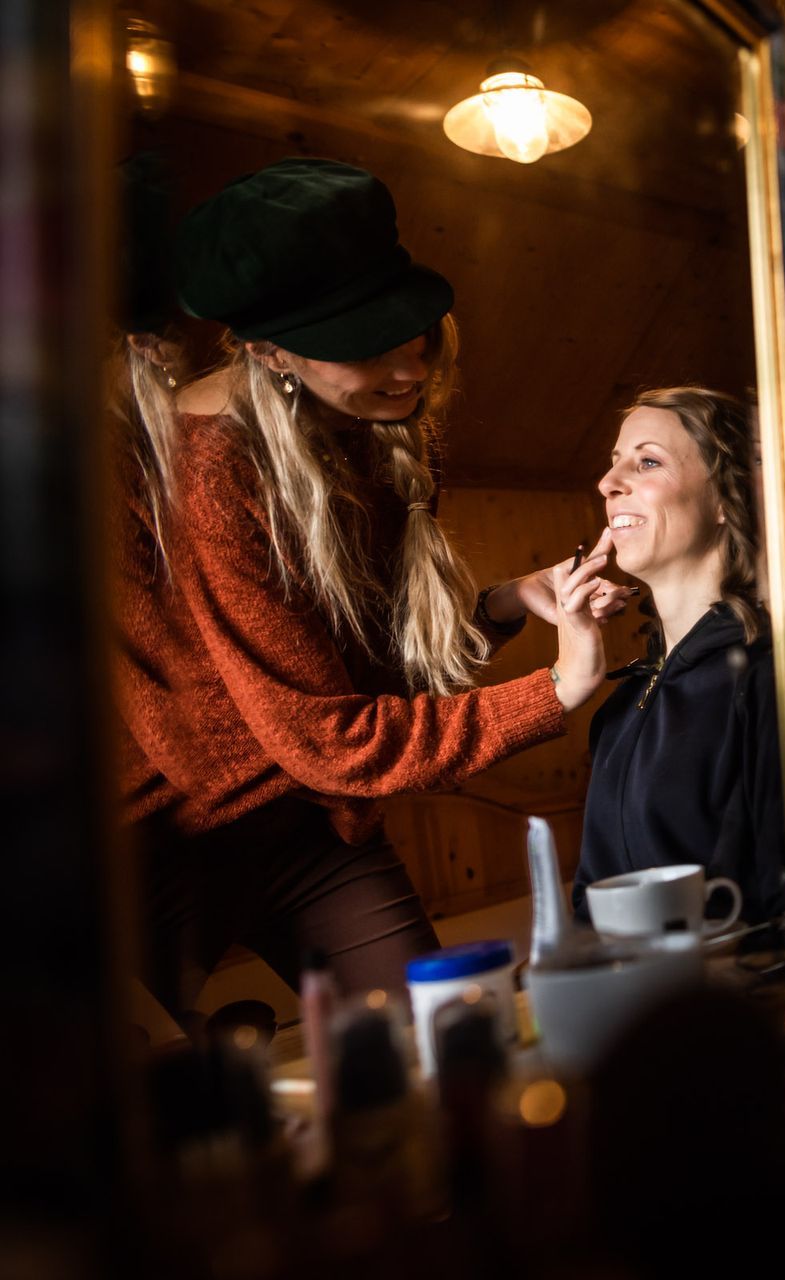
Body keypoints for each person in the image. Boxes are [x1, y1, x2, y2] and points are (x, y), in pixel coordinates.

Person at [119, 158, 619, 1014]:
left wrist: (497, 609)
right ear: (268, 349)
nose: (410, 366)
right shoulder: (209, 472)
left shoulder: (368, 423)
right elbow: (327, 735)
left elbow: (357, 667)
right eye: (365, 342)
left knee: (452, 1031)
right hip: (162, 843)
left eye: (413, 327)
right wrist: (556, 693)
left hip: (314, 820)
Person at [566, 387, 785, 927]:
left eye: (647, 461)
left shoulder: (766, 683)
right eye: (613, 463)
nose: (607, 484)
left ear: (723, 500)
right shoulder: (620, 705)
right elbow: (592, 899)